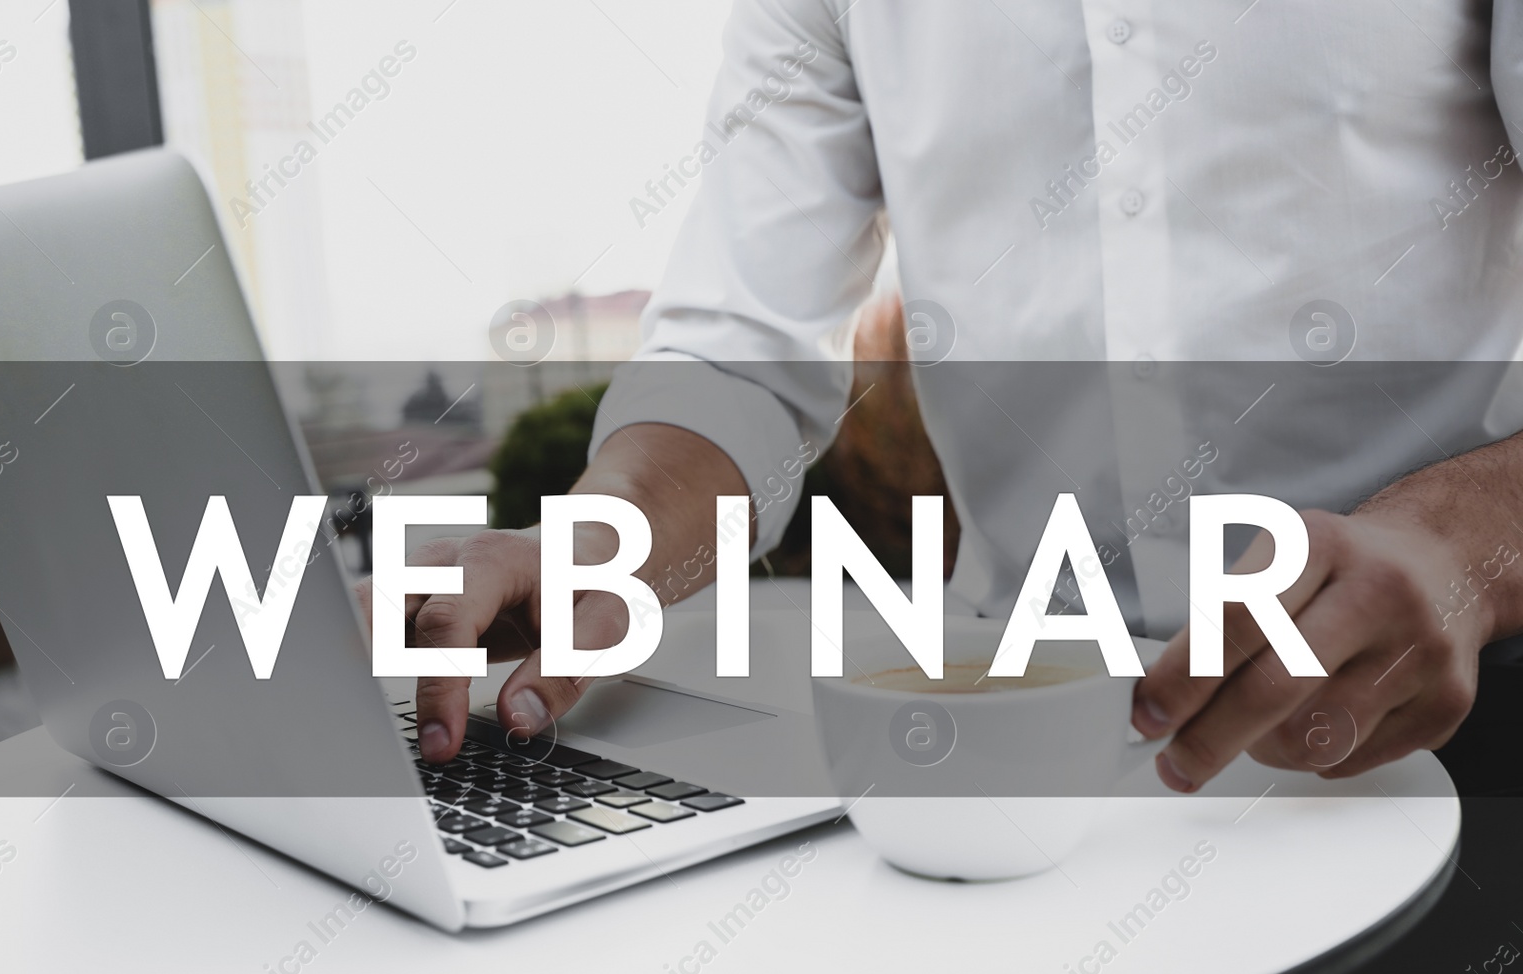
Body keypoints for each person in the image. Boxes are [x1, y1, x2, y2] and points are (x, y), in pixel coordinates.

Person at [372, 0, 1523, 794]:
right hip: (1015, 725)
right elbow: (743, 353)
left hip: (1461, 728)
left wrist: (1459, 538)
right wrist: (604, 538)